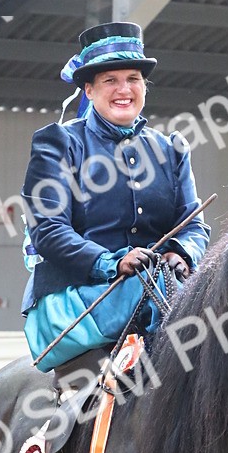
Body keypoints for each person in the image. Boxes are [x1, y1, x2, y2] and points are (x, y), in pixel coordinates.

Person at [20, 21, 209, 372]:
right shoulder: (59, 145)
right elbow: (47, 230)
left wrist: (181, 255)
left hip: (161, 289)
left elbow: (193, 225)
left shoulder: (172, 150)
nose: (124, 89)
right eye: (110, 80)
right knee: (160, 296)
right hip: (78, 301)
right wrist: (112, 263)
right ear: (89, 90)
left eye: (133, 79)